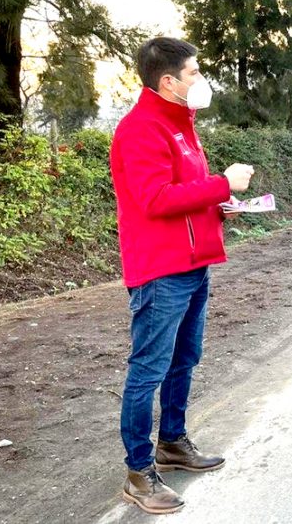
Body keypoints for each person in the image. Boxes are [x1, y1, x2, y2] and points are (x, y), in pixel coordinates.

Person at [110, 37, 255, 514]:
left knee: (184, 358)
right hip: (160, 269)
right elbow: (153, 199)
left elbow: (186, 193)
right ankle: (138, 470)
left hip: (193, 263)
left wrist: (221, 203)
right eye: (193, 72)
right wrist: (221, 183)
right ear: (168, 81)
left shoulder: (180, 126)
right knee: (148, 368)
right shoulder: (140, 129)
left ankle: (172, 442)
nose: (200, 79)